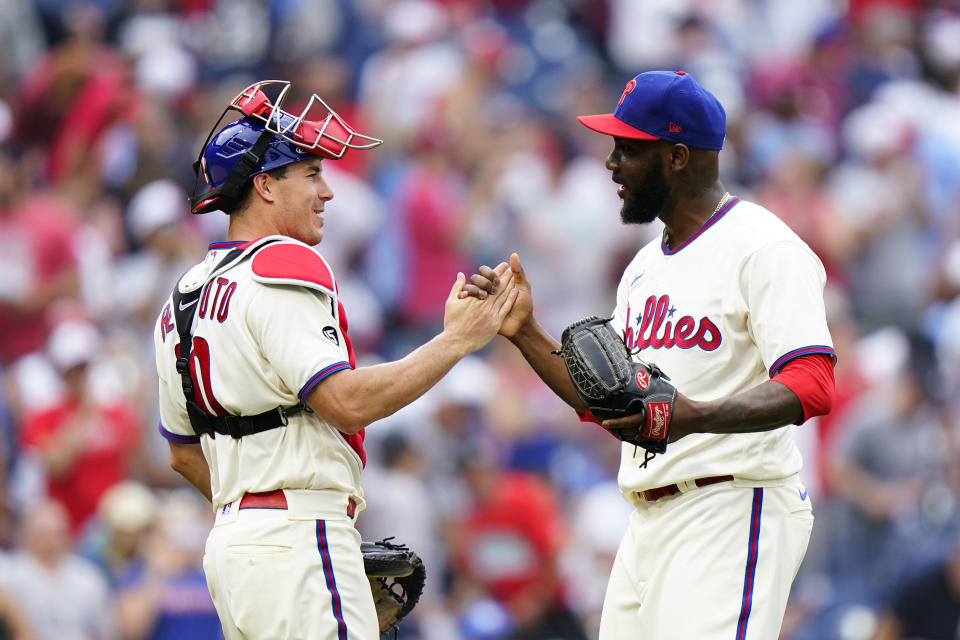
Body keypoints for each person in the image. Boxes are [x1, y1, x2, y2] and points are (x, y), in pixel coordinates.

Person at [463, 70, 837, 639]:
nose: (611, 164)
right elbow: (603, 400)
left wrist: (697, 415)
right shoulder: (643, 266)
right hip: (647, 519)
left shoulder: (765, 248)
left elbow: (812, 382)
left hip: (731, 505)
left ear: (678, 157)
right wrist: (524, 331)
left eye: (628, 149)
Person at [153, 80, 517, 640]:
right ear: (266, 185)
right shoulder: (284, 263)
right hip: (299, 540)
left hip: (233, 548)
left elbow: (182, 456)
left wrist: (256, 513)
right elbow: (344, 403)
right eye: (312, 174)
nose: (327, 192)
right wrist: (456, 342)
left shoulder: (183, 295)